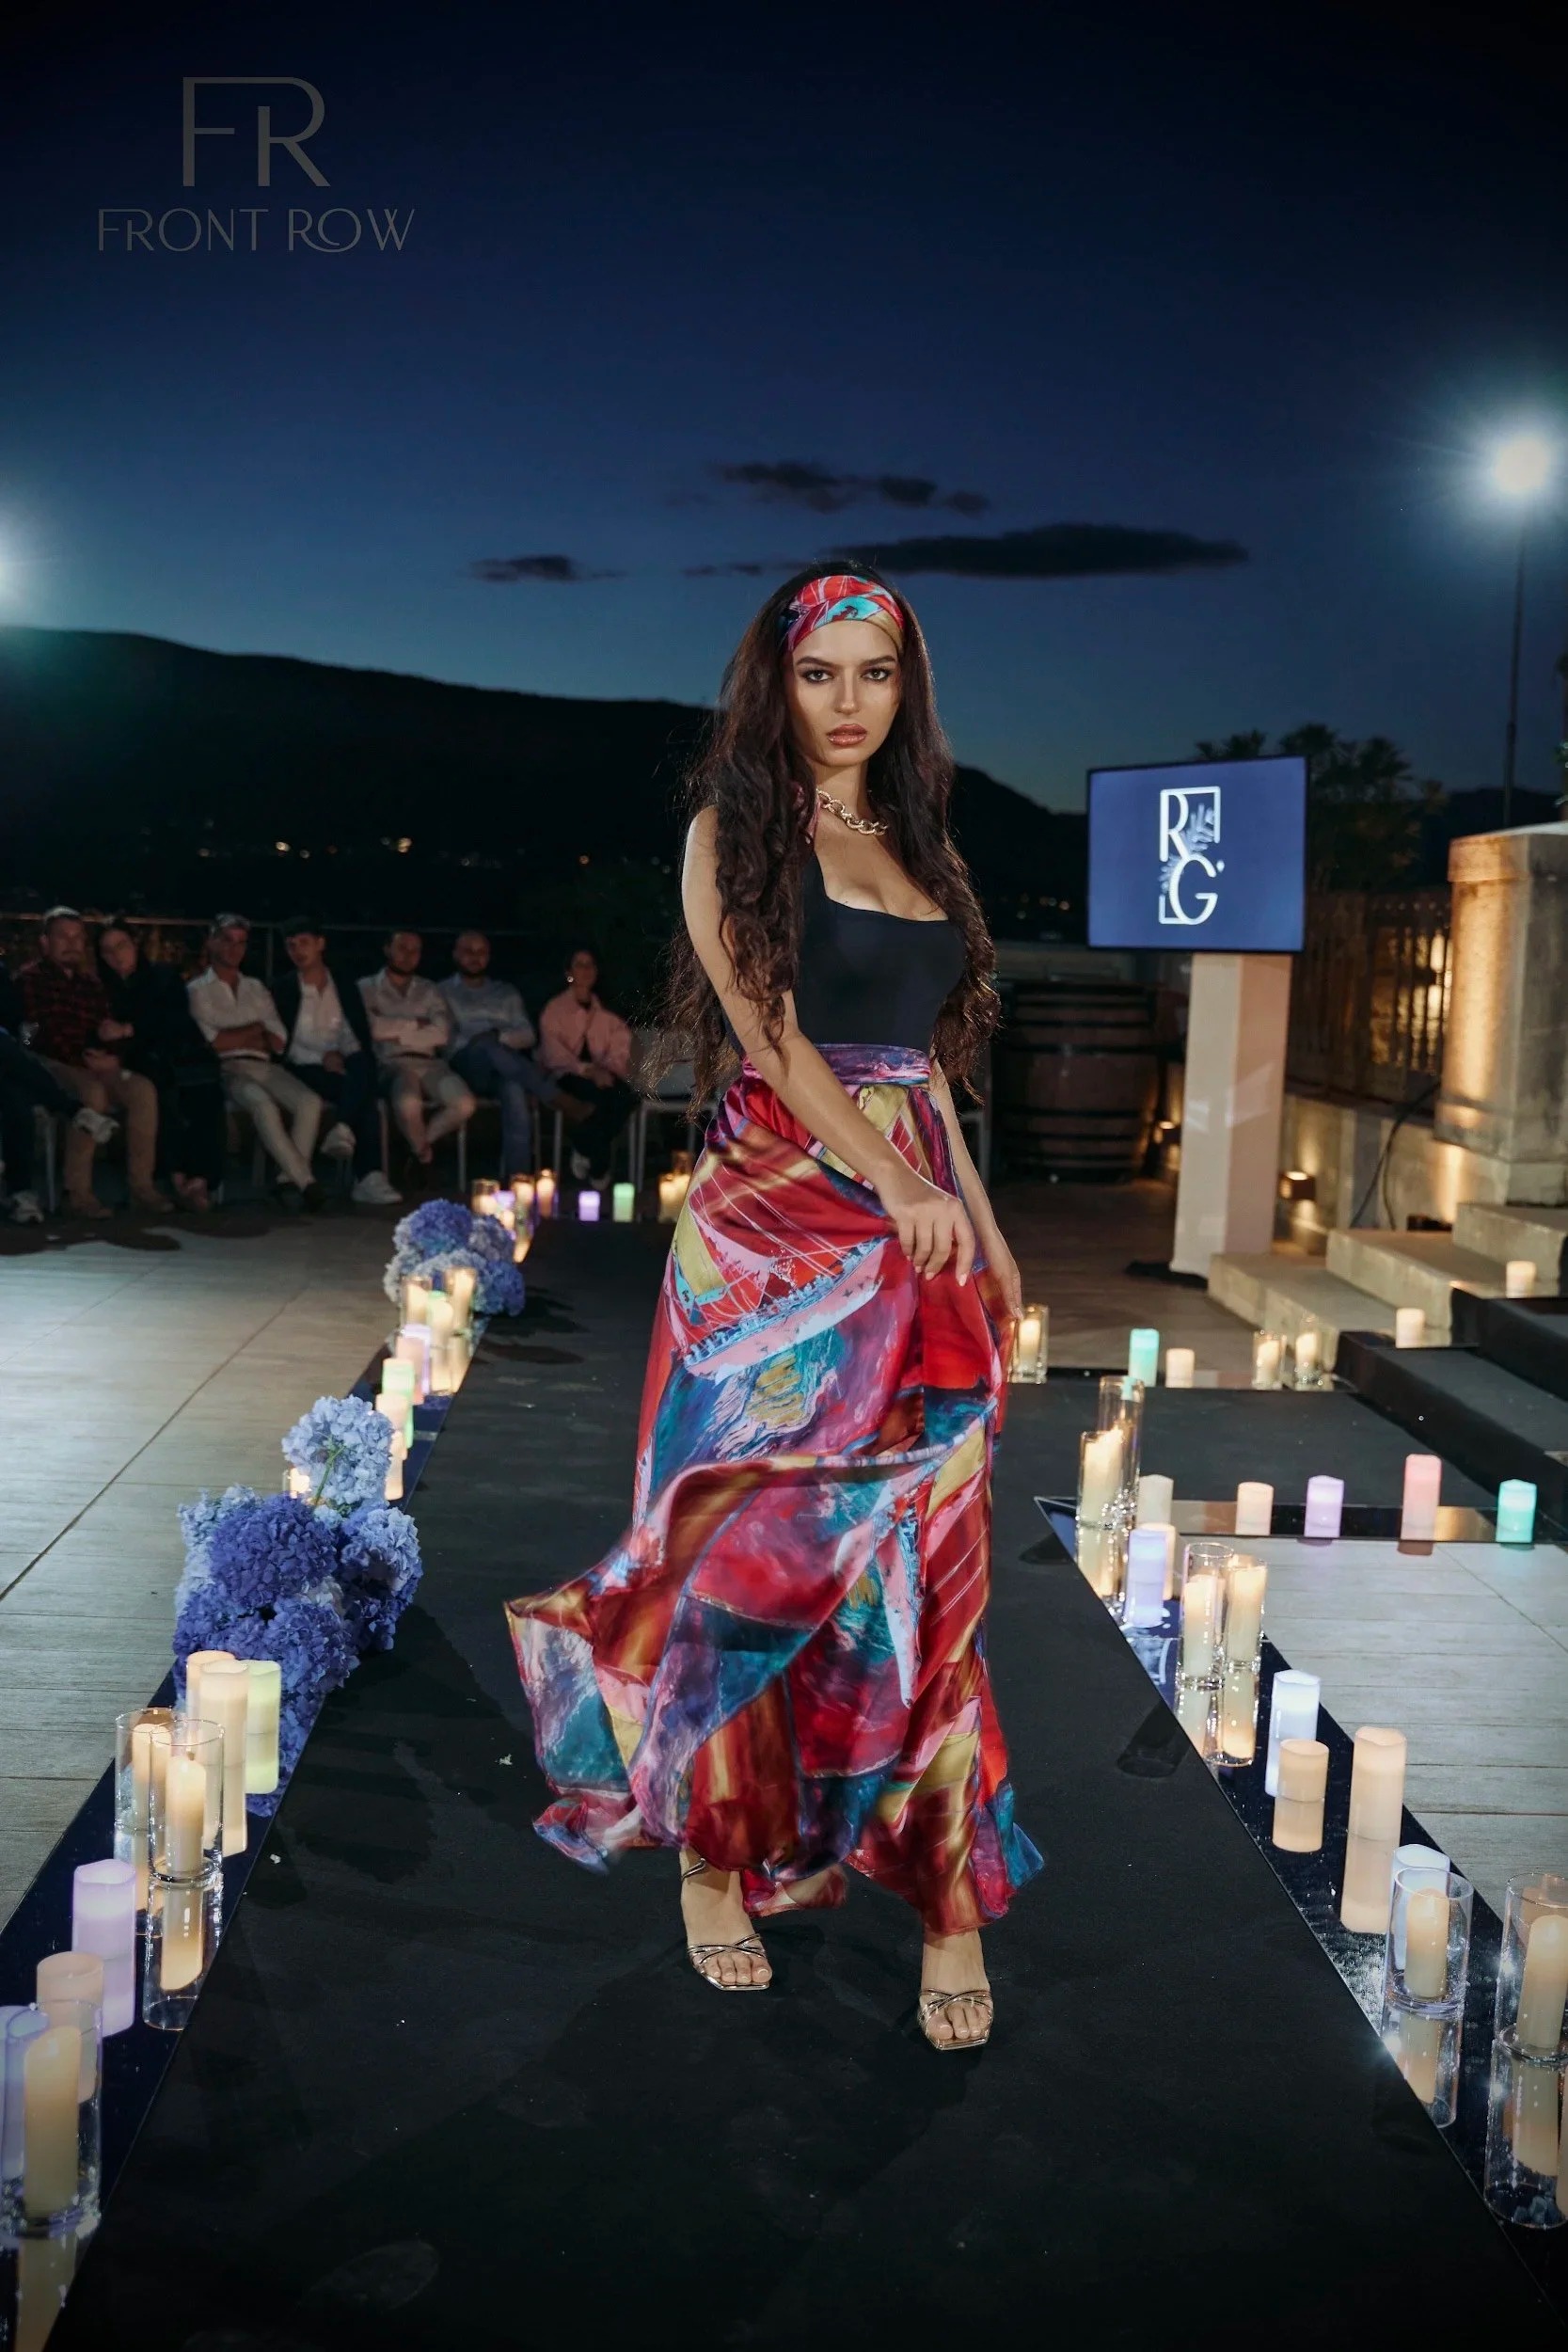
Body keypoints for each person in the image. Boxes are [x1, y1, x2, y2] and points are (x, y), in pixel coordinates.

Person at [507, 571, 1038, 2052]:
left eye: (875, 672)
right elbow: (773, 1039)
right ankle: (710, 1855)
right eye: (820, 673)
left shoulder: (919, 838)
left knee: (918, 1558)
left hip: (915, 1219)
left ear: (905, 688)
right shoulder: (729, 833)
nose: (848, 701)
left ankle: (943, 1900)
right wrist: (892, 1180)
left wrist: (981, 1224)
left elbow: (922, 1067)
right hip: (774, 1232)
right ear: (775, 684)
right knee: (746, 1550)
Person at [18, 907, 170, 1216]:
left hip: (93, 1061)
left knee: (142, 1090)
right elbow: (31, 1034)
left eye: (77, 937)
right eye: (63, 936)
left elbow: (105, 1027)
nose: (71, 943)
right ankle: (77, 1192)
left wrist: (112, 1055)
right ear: (45, 942)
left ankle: (141, 1187)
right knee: (92, 1094)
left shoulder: (91, 984)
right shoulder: (30, 980)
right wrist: (84, 1058)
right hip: (52, 1062)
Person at [187, 914, 324, 1208]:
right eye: (227, 940)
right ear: (212, 943)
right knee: (263, 1104)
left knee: (310, 1102)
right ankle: (305, 1181)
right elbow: (215, 1043)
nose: (234, 948)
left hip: (264, 1063)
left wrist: (239, 1034)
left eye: (241, 943)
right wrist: (255, 1029)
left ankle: (287, 1180)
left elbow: (278, 1040)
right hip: (228, 1067)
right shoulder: (197, 990)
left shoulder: (256, 988)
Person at [96, 920, 226, 1212]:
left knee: (204, 1093)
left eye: (121, 946)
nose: (116, 955)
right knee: (159, 1092)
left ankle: (201, 1178)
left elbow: (173, 1019)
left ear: (134, 944)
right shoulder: (101, 989)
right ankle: (176, 1177)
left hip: (179, 1051)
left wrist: (129, 1029)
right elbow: (96, 1031)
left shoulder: (163, 976)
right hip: (140, 1059)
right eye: (107, 951)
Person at [272, 919, 402, 1207]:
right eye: (291, 946)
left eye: (304, 943)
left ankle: (344, 1131)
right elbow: (284, 1043)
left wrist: (341, 1056)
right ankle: (368, 1175)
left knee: (362, 1064)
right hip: (301, 1066)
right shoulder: (284, 988)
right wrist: (323, 1057)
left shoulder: (342, 985)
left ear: (320, 944)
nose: (298, 951)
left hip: (338, 1064)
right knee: (363, 1097)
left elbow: (351, 1033)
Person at [438, 930, 578, 1179]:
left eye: (481, 952)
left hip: (504, 1068)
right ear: (456, 955)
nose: (475, 957)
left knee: (513, 1089)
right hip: (464, 1065)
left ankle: (518, 1178)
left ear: (488, 956)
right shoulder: (442, 992)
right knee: (485, 1046)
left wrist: (497, 1037)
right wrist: (481, 1041)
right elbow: (444, 1037)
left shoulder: (505, 993)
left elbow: (527, 1035)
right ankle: (552, 1094)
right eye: (468, 951)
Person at [0, 957, 118, 1223]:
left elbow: (22, 1023)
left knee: (16, 1097)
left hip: (8, 1065)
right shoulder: (29, 977)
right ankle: (73, 1110)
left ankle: (20, 1192)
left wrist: (25, 1042)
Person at [359, 930, 475, 1170]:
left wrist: (395, 1030)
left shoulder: (429, 989)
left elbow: (442, 1033)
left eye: (415, 951)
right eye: (402, 948)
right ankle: (421, 1161)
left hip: (430, 1062)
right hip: (391, 1062)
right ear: (387, 949)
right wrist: (417, 1024)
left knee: (464, 1104)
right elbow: (374, 1029)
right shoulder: (367, 987)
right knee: (408, 1102)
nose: (409, 956)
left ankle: (418, 1150)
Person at [537, 948, 638, 1183]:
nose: (585, 970)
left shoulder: (607, 1012)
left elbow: (620, 1047)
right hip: (567, 1075)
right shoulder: (555, 1009)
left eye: (590, 964)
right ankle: (599, 1167)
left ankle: (583, 1146)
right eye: (579, 964)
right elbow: (553, 1052)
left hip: (603, 1074)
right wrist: (588, 1070)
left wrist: (606, 1070)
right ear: (569, 972)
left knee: (626, 1099)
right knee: (597, 1100)